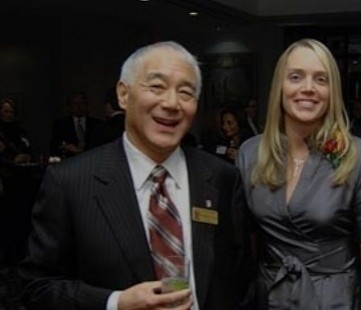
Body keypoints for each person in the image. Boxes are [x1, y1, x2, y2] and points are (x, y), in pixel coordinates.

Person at [20, 41, 252, 310]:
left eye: (186, 92)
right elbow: (37, 286)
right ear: (123, 94)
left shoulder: (221, 178)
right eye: (156, 87)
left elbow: (240, 280)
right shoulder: (70, 182)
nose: (171, 103)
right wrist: (115, 303)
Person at [236, 38, 361, 309]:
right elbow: (243, 244)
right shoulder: (251, 153)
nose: (307, 88)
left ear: (332, 91)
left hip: (333, 299)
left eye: (321, 79)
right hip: (270, 296)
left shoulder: (358, 156)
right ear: (279, 87)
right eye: (296, 77)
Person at [49, 91, 104, 157]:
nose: (79, 106)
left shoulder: (97, 124)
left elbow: (100, 146)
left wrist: (81, 151)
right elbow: (55, 147)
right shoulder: (61, 125)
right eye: (75, 103)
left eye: (82, 103)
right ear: (69, 106)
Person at [0, 97, 32, 165]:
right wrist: (11, 161)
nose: (9, 115)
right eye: (6, 111)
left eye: (12, 112)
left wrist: (26, 156)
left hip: (20, 168)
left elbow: (28, 148)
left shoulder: (20, 130)